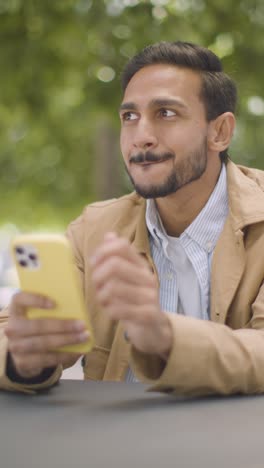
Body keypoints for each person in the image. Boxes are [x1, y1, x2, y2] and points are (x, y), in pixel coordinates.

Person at [1, 41, 264, 395]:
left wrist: (165, 336)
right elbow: (11, 334)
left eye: (166, 113)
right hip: (110, 445)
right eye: (129, 117)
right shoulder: (93, 230)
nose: (141, 137)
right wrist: (25, 359)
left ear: (219, 132)